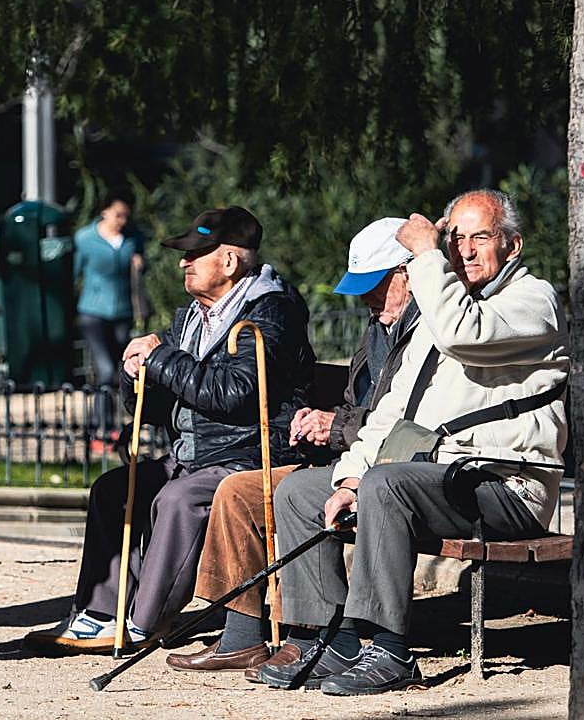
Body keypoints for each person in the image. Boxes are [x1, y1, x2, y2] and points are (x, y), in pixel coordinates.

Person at [258, 189, 569, 696]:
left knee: (388, 483)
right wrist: (351, 476)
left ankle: (388, 648)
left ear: (512, 246)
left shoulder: (532, 301)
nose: (464, 250)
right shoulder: (446, 311)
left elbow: (461, 335)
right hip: (437, 480)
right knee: (300, 492)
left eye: (480, 237)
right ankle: (327, 636)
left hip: (505, 487)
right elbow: (391, 412)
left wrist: (427, 254)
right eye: (457, 238)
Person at [25, 206, 315, 654]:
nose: (184, 262)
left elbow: (235, 392)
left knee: (178, 499)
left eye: (197, 253)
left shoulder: (273, 313)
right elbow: (160, 404)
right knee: (114, 488)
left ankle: (144, 621)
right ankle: (101, 613)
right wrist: (135, 372)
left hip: (249, 454)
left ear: (230, 261)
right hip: (196, 454)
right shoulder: (192, 317)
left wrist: (162, 358)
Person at [166, 217, 420, 676]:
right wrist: (324, 422)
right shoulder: (377, 328)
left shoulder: (424, 331)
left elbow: (408, 422)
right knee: (240, 492)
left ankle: (320, 634)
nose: (367, 299)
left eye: (377, 286)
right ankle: (242, 636)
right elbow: (357, 403)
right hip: (351, 457)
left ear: (407, 273)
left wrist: (336, 425)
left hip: (394, 466)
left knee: (273, 491)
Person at [73, 190, 145, 433]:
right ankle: (100, 426)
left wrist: (140, 265)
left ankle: (109, 422)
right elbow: (73, 272)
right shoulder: (84, 238)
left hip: (122, 311)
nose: (121, 220)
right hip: (93, 311)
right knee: (104, 369)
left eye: (126, 216)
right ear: (105, 211)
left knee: (117, 370)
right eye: (118, 215)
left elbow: (141, 268)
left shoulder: (133, 238)